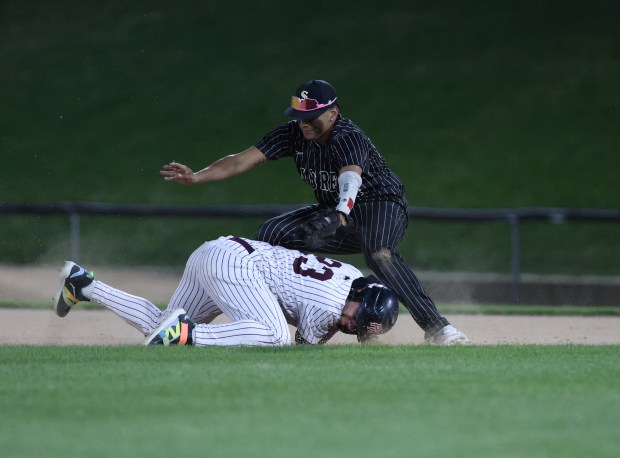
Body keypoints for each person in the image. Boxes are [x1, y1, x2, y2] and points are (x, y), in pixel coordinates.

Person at [160, 79, 469, 345]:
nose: (304, 123)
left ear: (333, 113)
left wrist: (340, 212)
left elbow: (351, 176)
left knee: (379, 252)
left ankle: (438, 328)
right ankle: (271, 313)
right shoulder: (294, 134)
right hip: (335, 210)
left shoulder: (347, 136)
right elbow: (241, 160)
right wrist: (197, 176)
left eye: (312, 116)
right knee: (272, 234)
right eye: (300, 116)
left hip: (379, 204)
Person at [53, 236, 399, 346]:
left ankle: (84, 285)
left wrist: (368, 327)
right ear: (358, 299)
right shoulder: (328, 307)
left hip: (218, 251)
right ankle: (188, 333)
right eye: (358, 317)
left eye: (358, 324)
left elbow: (358, 311)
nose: (351, 324)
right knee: (275, 336)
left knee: (158, 327)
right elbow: (301, 348)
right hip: (236, 265)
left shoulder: (352, 276)